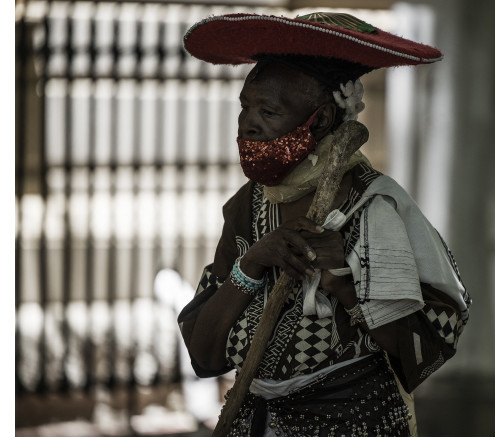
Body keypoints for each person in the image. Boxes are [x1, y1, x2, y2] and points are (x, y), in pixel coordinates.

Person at [177, 11, 471, 437]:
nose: (247, 122)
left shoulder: (374, 207)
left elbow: (425, 349)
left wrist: (343, 281)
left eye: (269, 110)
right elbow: (205, 354)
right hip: (253, 422)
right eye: (245, 105)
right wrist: (253, 262)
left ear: (319, 121)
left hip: (357, 422)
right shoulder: (248, 205)